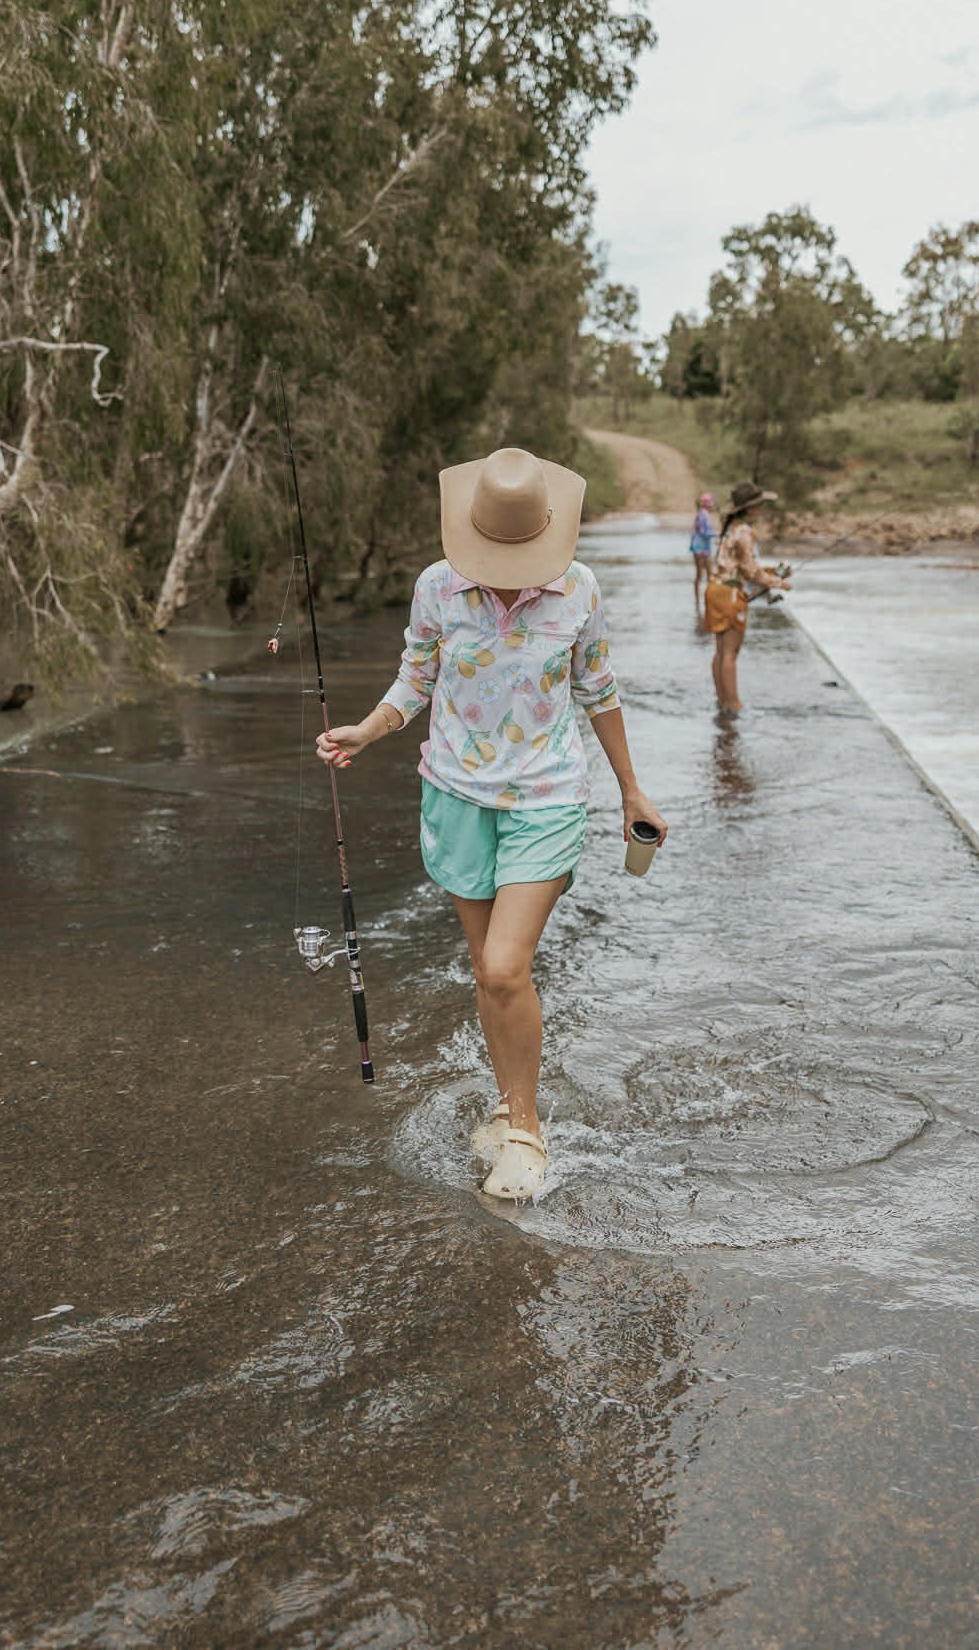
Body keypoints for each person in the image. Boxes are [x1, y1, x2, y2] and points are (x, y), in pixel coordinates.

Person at [314, 446, 667, 1202]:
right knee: (487, 972)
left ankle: (527, 1131)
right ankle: (507, 1103)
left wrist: (631, 790)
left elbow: (597, 690)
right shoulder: (437, 588)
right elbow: (417, 676)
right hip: (455, 794)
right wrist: (368, 730)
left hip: (546, 798)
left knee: (506, 965)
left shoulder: (578, 590)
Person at [705, 480, 791, 713]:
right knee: (731, 653)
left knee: (721, 651)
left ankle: (722, 700)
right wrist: (779, 582)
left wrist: (772, 572)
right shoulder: (746, 532)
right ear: (751, 508)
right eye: (760, 504)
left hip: (714, 590)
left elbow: (737, 566)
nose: (762, 508)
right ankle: (734, 704)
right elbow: (751, 572)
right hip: (730, 595)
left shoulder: (730, 527)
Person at [688, 491, 716, 601]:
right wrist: (717, 533)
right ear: (706, 504)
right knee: (704, 575)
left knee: (702, 575)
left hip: (700, 548)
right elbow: (705, 533)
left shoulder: (702, 513)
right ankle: (705, 600)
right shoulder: (703, 515)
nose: (712, 505)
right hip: (700, 549)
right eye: (710, 503)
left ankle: (700, 600)